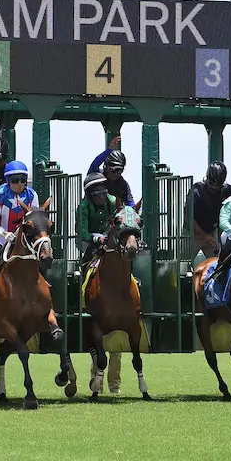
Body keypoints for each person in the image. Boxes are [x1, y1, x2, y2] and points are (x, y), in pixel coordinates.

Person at [76, 172, 124, 393]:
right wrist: (98, 238)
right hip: (93, 246)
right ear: (89, 193)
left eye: (104, 191)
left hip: (114, 245)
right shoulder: (83, 207)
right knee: (88, 261)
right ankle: (84, 292)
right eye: (97, 192)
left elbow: (124, 219)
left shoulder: (114, 202)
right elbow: (83, 232)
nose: (102, 195)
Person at [0, 160, 40, 302]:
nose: (19, 184)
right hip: (3, 238)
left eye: (23, 180)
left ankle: (44, 289)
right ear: (7, 180)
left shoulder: (32, 195)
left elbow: (35, 220)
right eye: (15, 180)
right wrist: (4, 233)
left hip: (25, 239)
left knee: (42, 256)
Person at [185, 162, 231, 258]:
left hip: (211, 232)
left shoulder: (226, 190)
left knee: (218, 264)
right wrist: (204, 236)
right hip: (192, 233)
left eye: (218, 185)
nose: (214, 188)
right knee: (182, 265)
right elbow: (189, 218)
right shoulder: (196, 192)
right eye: (211, 184)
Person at [89, 136, 136, 208]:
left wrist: (135, 211)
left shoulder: (123, 184)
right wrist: (109, 150)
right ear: (106, 167)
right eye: (113, 169)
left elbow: (130, 202)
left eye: (120, 170)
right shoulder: (97, 178)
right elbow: (94, 165)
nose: (116, 174)